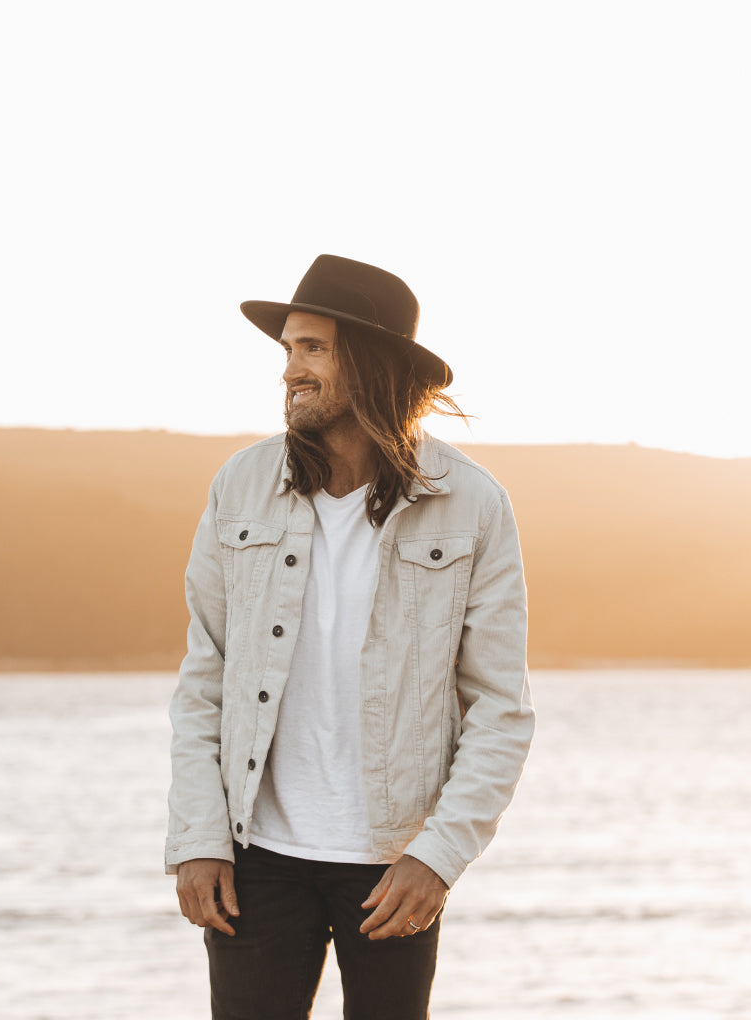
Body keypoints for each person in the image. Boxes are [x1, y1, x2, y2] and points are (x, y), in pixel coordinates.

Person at [166, 254, 534, 1020]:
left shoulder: (471, 503)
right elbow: (206, 675)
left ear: (370, 363)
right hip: (254, 859)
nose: (289, 372)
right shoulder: (240, 485)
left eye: (312, 350)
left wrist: (438, 857)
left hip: (394, 864)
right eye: (287, 350)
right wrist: (198, 835)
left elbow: (501, 710)